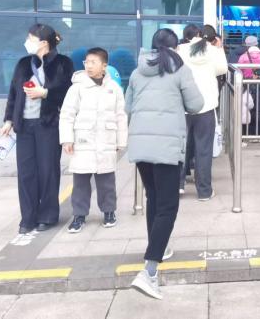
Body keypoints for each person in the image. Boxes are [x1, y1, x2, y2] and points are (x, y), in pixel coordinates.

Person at [125, 28, 203, 299]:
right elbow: (196, 104)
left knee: (154, 200)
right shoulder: (180, 70)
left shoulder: (137, 72)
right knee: (168, 206)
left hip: (140, 145)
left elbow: (128, 108)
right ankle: (149, 271)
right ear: (175, 47)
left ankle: (160, 247)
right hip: (166, 147)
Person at [2, 24, 74, 234]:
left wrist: (46, 93)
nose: (27, 42)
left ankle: (48, 216)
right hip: (24, 126)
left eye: (30, 38)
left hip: (48, 125)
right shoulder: (24, 64)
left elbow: (68, 93)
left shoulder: (63, 63)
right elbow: (13, 93)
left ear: (43, 43)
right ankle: (28, 217)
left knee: (48, 171)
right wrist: (9, 120)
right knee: (26, 173)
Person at [59, 47, 127, 233]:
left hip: (106, 140)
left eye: (93, 62)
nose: (88, 66)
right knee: (80, 182)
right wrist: (67, 139)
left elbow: (120, 116)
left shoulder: (114, 88)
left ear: (104, 66)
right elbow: (67, 114)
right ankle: (79, 215)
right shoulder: (77, 88)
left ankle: (109, 212)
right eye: (86, 62)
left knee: (107, 181)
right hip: (83, 140)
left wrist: (121, 141)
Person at [178, 24, 227, 200]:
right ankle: (204, 191)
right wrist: (219, 48)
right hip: (206, 106)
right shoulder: (213, 51)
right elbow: (222, 69)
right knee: (203, 150)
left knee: (180, 148)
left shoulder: (181, 50)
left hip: (183, 106)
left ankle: (178, 185)